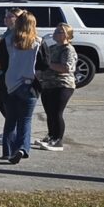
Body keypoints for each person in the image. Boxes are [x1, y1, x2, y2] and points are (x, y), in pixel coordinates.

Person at [0, 11, 43, 163]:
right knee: (25, 120)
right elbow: (44, 64)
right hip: (29, 84)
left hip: (11, 83)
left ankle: (7, 151)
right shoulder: (38, 42)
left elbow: (2, 62)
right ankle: (22, 148)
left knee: (11, 119)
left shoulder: (7, 41)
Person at [38, 22, 77, 151]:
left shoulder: (68, 49)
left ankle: (58, 140)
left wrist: (48, 64)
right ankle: (51, 136)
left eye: (59, 32)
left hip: (62, 84)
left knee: (56, 112)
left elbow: (66, 68)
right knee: (49, 112)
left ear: (67, 35)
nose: (55, 33)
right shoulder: (52, 47)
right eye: (55, 31)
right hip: (47, 84)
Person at [0, 8, 20, 143]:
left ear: (17, 19)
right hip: (3, 71)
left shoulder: (17, 35)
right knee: (1, 100)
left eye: (9, 16)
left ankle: (13, 133)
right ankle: (10, 130)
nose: (5, 18)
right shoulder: (7, 33)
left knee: (9, 103)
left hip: (12, 73)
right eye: (6, 16)